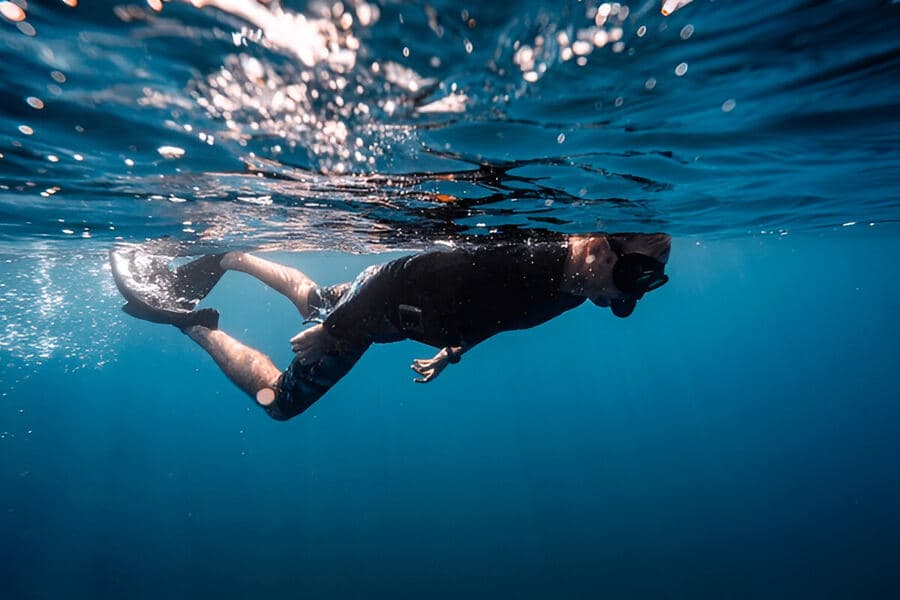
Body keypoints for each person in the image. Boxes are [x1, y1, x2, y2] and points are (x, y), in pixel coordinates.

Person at [110, 232, 671, 421]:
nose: (616, 300)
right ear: (598, 249)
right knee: (282, 401)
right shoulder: (524, 259)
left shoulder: (574, 291)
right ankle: (192, 325)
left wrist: (453, 351)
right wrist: (335, 330)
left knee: (314, 298)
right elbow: (405, 271)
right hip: (375, 309)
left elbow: (501, 318)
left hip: (380, 311)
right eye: (628, 280)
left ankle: (232, 257)